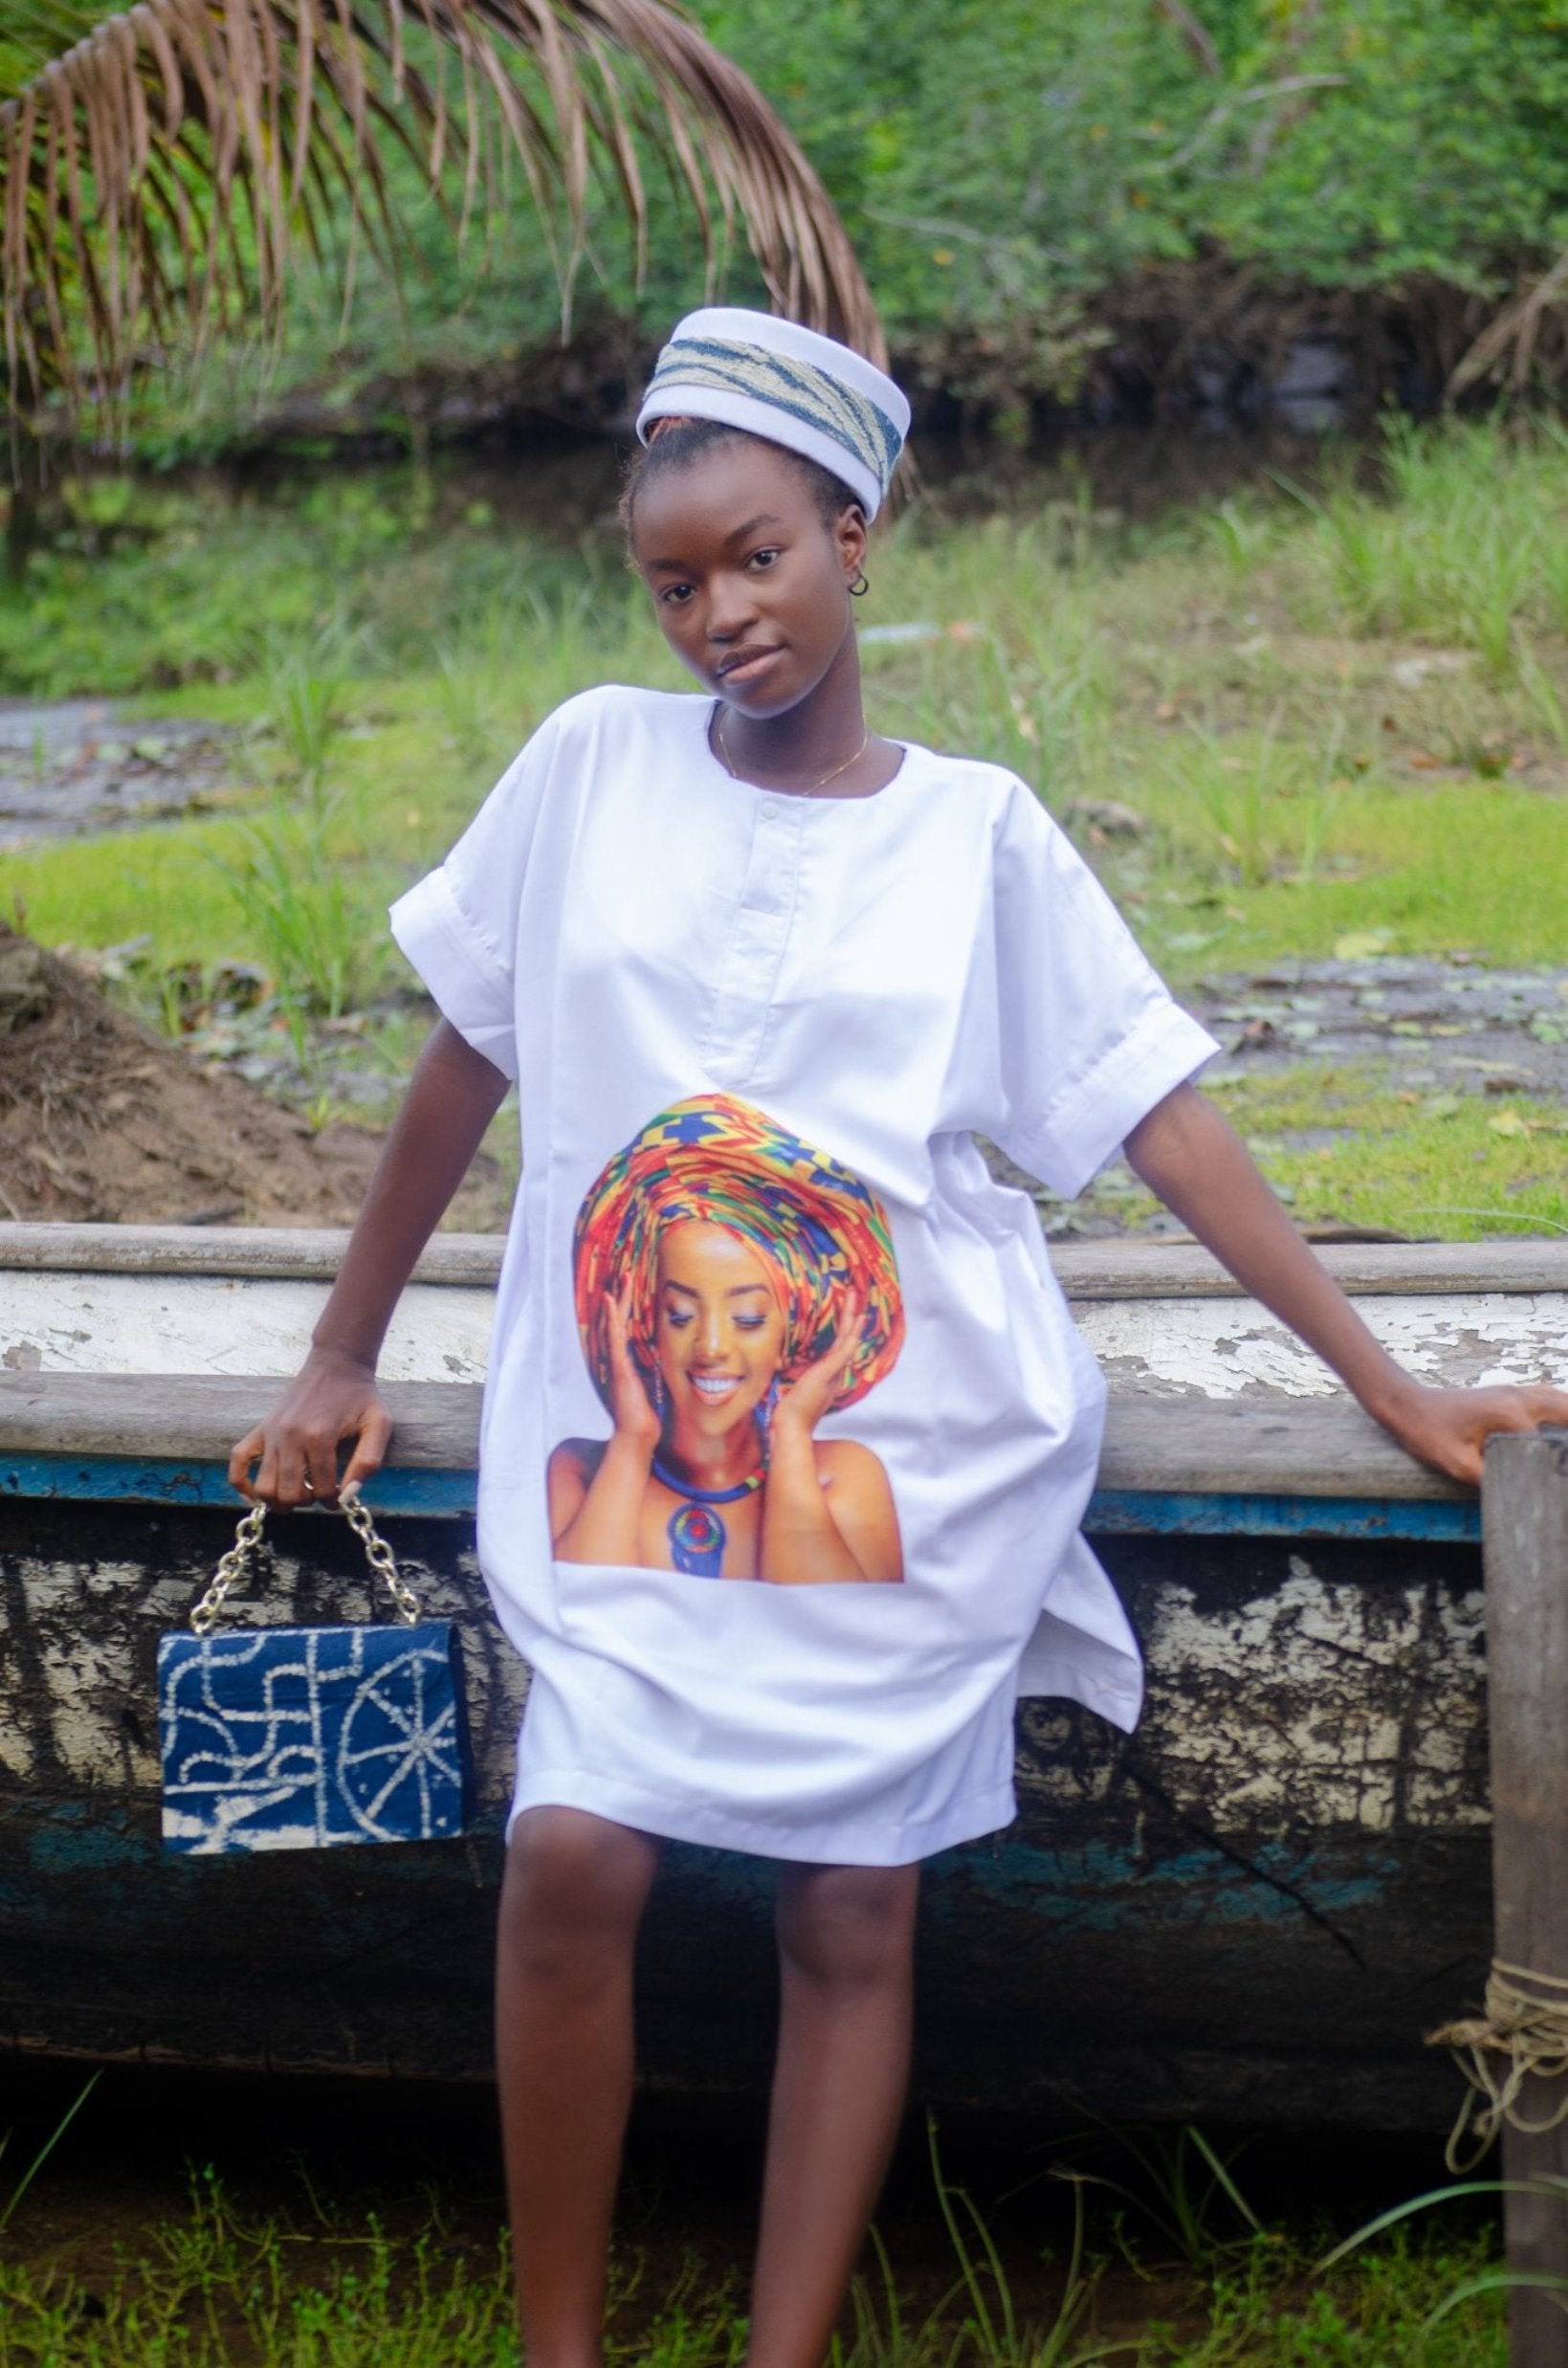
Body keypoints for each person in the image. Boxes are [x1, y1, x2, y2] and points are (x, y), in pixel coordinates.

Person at [231, 305, 1568, 2368]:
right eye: (673, 578)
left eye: (758, 558)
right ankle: (557, 2346)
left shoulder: (978, 835)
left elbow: (1159, 1117)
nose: (717, 616)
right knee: (572, 1852)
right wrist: (336, 1351)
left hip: (899, 1451)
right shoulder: (585, 769)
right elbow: (454, 1073)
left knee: (854, 1904)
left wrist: (1384, 1382)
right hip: (625, 1446)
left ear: (859, 534)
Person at [549, 1091, 905, 1582]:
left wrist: (792, 1437)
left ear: (795, 1329)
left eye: (749, 1318)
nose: (711, 1347)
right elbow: (578, 1615)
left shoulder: (844, 1476)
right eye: (679, 1315)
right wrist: (633, 1442)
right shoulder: (580, 1472)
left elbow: (840, 1634)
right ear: (643, 1322)